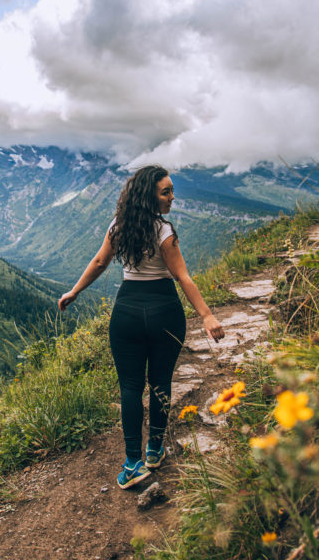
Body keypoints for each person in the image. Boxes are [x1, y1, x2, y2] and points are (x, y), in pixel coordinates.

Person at [58, 165, 225, 490]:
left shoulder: (118, 227)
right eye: (166, 192)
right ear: (150, 195)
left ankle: (132, 462)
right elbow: (182, 277)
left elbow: (99, 263)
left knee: (131, 387)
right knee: (160, 382)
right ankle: (154, 450)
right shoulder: (164, 231)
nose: (172, 197)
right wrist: (206, 315)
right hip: (164, 310)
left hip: (128, 313)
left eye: (172, 190)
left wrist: (75, 291)